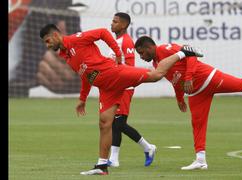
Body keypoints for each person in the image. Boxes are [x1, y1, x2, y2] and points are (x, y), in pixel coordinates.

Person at [39, 23, 202, 175]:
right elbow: (86, 77)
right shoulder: (66, 56)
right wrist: (83, 98)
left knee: (155, 75)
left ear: (55, 35)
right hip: (106, 88)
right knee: (104, 123)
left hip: (114, 73)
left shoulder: (76, 39)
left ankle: (183, 52)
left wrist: (118, 53)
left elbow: (102, 32)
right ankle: (102, 166)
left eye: (47, 41)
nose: (47, 45)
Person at [134, 36, 242, 170]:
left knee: (241, 85)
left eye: (141, 53)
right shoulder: (157, 64)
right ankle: (200, 160)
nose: (141, 57)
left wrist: (190, 76)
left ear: (149, 47)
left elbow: (190, 53)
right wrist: (179, 98)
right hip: (196, 93)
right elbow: (175, 81)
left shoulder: (165, 49)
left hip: (209, 78)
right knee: (197, 124)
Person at [107, 12, 156, 168]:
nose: (112, 24)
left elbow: (128, 67)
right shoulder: (117, 41)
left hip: (124, 87)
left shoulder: (126, 42)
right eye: (112, 21)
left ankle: (148, 147)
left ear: (124, 25)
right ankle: (114, 159)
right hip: (116, 87)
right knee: (115, 123)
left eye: (115, 22)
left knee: (119, 123)